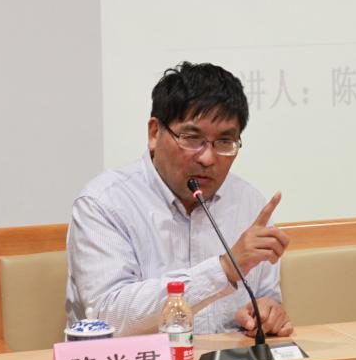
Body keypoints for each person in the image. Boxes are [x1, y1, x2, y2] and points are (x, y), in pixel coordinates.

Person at [66, 61, 293, 338]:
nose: (207, 158)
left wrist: (266, 313)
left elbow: (266, 298)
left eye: (224, 142)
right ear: (154, 133)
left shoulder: (249, 203)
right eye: (191, 138)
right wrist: (223, 270)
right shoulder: (104, 203)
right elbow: (108, 316)